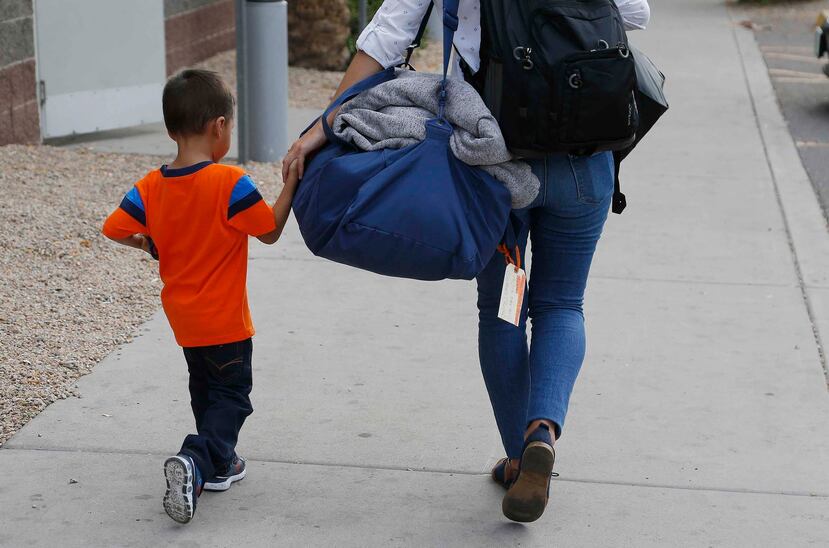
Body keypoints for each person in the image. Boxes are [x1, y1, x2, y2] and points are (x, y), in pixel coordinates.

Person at [284, 0, 650, 523]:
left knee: (504, 309)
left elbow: (390, 35)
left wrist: (326, 121)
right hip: (585, 159)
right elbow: (636, 14)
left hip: (498, 164)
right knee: (563, 305)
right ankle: (541, 430)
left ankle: (522, 459)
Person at [101, 69, 300, 524]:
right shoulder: (230, 182)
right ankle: (195, 458)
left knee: (205, 391)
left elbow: (113, 228)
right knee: (232, 396)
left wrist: (146, 242)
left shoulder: (151, 186)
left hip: (184, 320)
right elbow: (268, 231)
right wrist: (292, 182)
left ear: (171, 129)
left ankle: (221, 463)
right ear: (219, 127)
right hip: (226, 320)